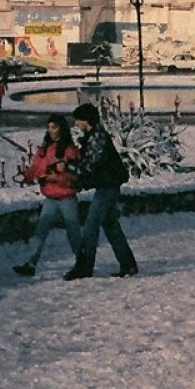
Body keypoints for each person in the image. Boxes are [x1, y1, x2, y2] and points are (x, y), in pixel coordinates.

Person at [63, 102, 137, 279]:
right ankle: (128, 265)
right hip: (107, 185)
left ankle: (85, 267)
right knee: (111, 226)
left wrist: (68, 167)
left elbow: (90, 165)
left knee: (91, 226)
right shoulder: (93, 135)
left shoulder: (97, 137)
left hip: (107, 186)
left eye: (78, 120)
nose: (76, 124)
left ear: (86, 121)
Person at [13, 114, 82, 277]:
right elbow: (36, 168)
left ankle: (82, 263)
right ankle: (31, 264)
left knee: (73, 233)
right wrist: (26, 175)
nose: (51, 131)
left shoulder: (70, 150)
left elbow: (75, 176)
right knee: (40, 231)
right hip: (50, 197)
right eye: (49, 127)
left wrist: (55, 178)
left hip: (66, 197)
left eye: (54, 127)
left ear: (62, 129)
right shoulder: (44, 149)